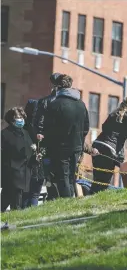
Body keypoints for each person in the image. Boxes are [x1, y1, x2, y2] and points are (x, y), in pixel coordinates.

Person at [43, 74, 89, 198]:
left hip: (60, 148)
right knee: (71, 176)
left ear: (58, 87)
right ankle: (70, 201)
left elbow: (47, 128)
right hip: (76, 147)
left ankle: (67, 202)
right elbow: (86, 127)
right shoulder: (81, 104)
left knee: (62, 177)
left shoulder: (55, 105)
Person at [35, 72, 62, 200]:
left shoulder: (43, 101)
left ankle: (52, 195)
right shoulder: (70, 102)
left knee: (49, 172)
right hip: (62, 143)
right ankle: (56, 197)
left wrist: (40, 135)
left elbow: (39, 123)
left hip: (47, 142)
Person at [1, 107, 34, 211]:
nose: (20, 119)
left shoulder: (25, 132)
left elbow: (29, 148)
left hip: (25, 171)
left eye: (21, 117)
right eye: (17, 117)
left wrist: (34, 151)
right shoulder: (5, 134)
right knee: (14, 198)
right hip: (12, 170)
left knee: (7, 197)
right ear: (11, 119)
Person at [23, 99, 45, 207]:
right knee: (35, 193)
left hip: (26, 165)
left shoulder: (23, 125)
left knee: (26, 194)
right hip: (38, 162)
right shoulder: (42, 125)